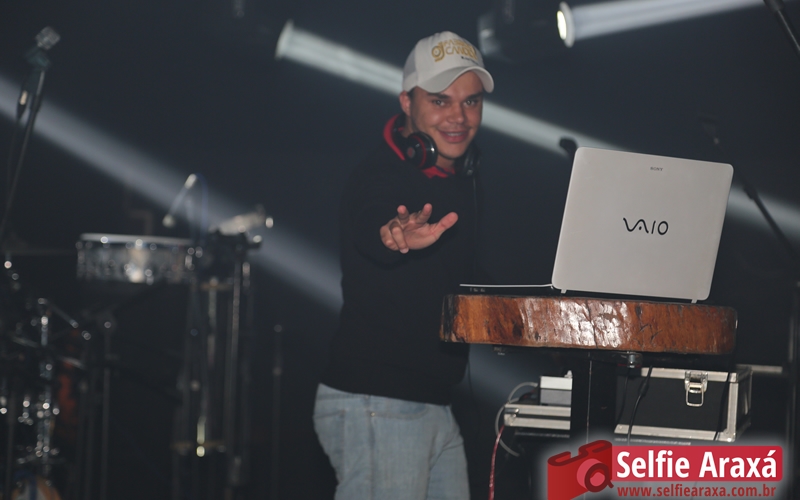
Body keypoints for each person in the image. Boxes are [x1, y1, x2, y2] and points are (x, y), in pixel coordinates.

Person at [314, 31, 494, 500]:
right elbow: (373, 224)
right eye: (440, 100)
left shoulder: (457, 181)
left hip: (431, 403)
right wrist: (392, 234)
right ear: (406, 102)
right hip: (380, 401)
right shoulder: (380, 176)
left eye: (471, 101)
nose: (458, 116)